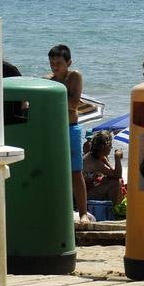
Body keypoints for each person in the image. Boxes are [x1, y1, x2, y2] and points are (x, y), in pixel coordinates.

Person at [48, 43, 90, 223]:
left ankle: (83, 213)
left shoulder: (74, 77)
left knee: (75, 172)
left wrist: (54, 95)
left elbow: (73, 104)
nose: (55, 67)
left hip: (71, 128)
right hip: (53, 129)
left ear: (68, 62)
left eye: (58, 63)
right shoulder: (49, 81)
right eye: (52, 63)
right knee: (53, 171)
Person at [82, 131, 124, 205]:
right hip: (85, 195)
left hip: (91, 191)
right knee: (116, 183)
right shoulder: (94, 160)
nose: (111, 148)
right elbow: (117, 175)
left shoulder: (99, 156)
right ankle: (115, 208)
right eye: (110, 145)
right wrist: (117, 158)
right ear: (104, 147)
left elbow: (113, 173)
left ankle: (116, 206)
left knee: (113, 180)